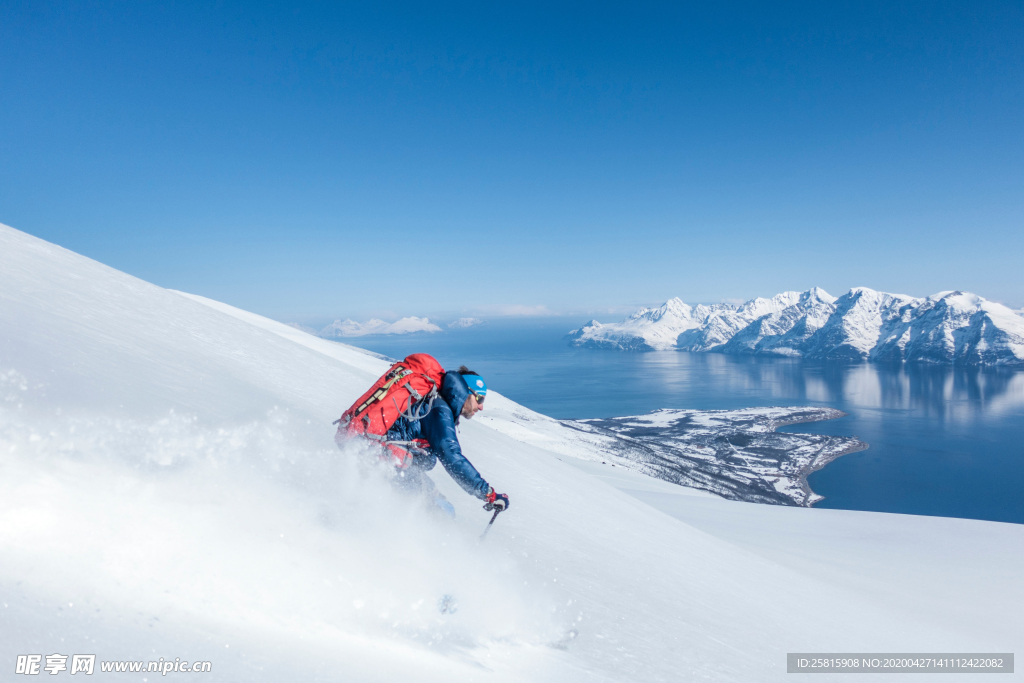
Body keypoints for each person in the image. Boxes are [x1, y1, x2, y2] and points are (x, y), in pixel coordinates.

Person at [383, 365, 509, 517]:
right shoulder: (440, 411)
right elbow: (452, 457)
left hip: (396, 465)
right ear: (466, 393)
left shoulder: (437, 405)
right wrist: (489, 494)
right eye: (479, 398)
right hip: (390, 466)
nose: (481, 407)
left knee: (443, 506)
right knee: (440, 515)